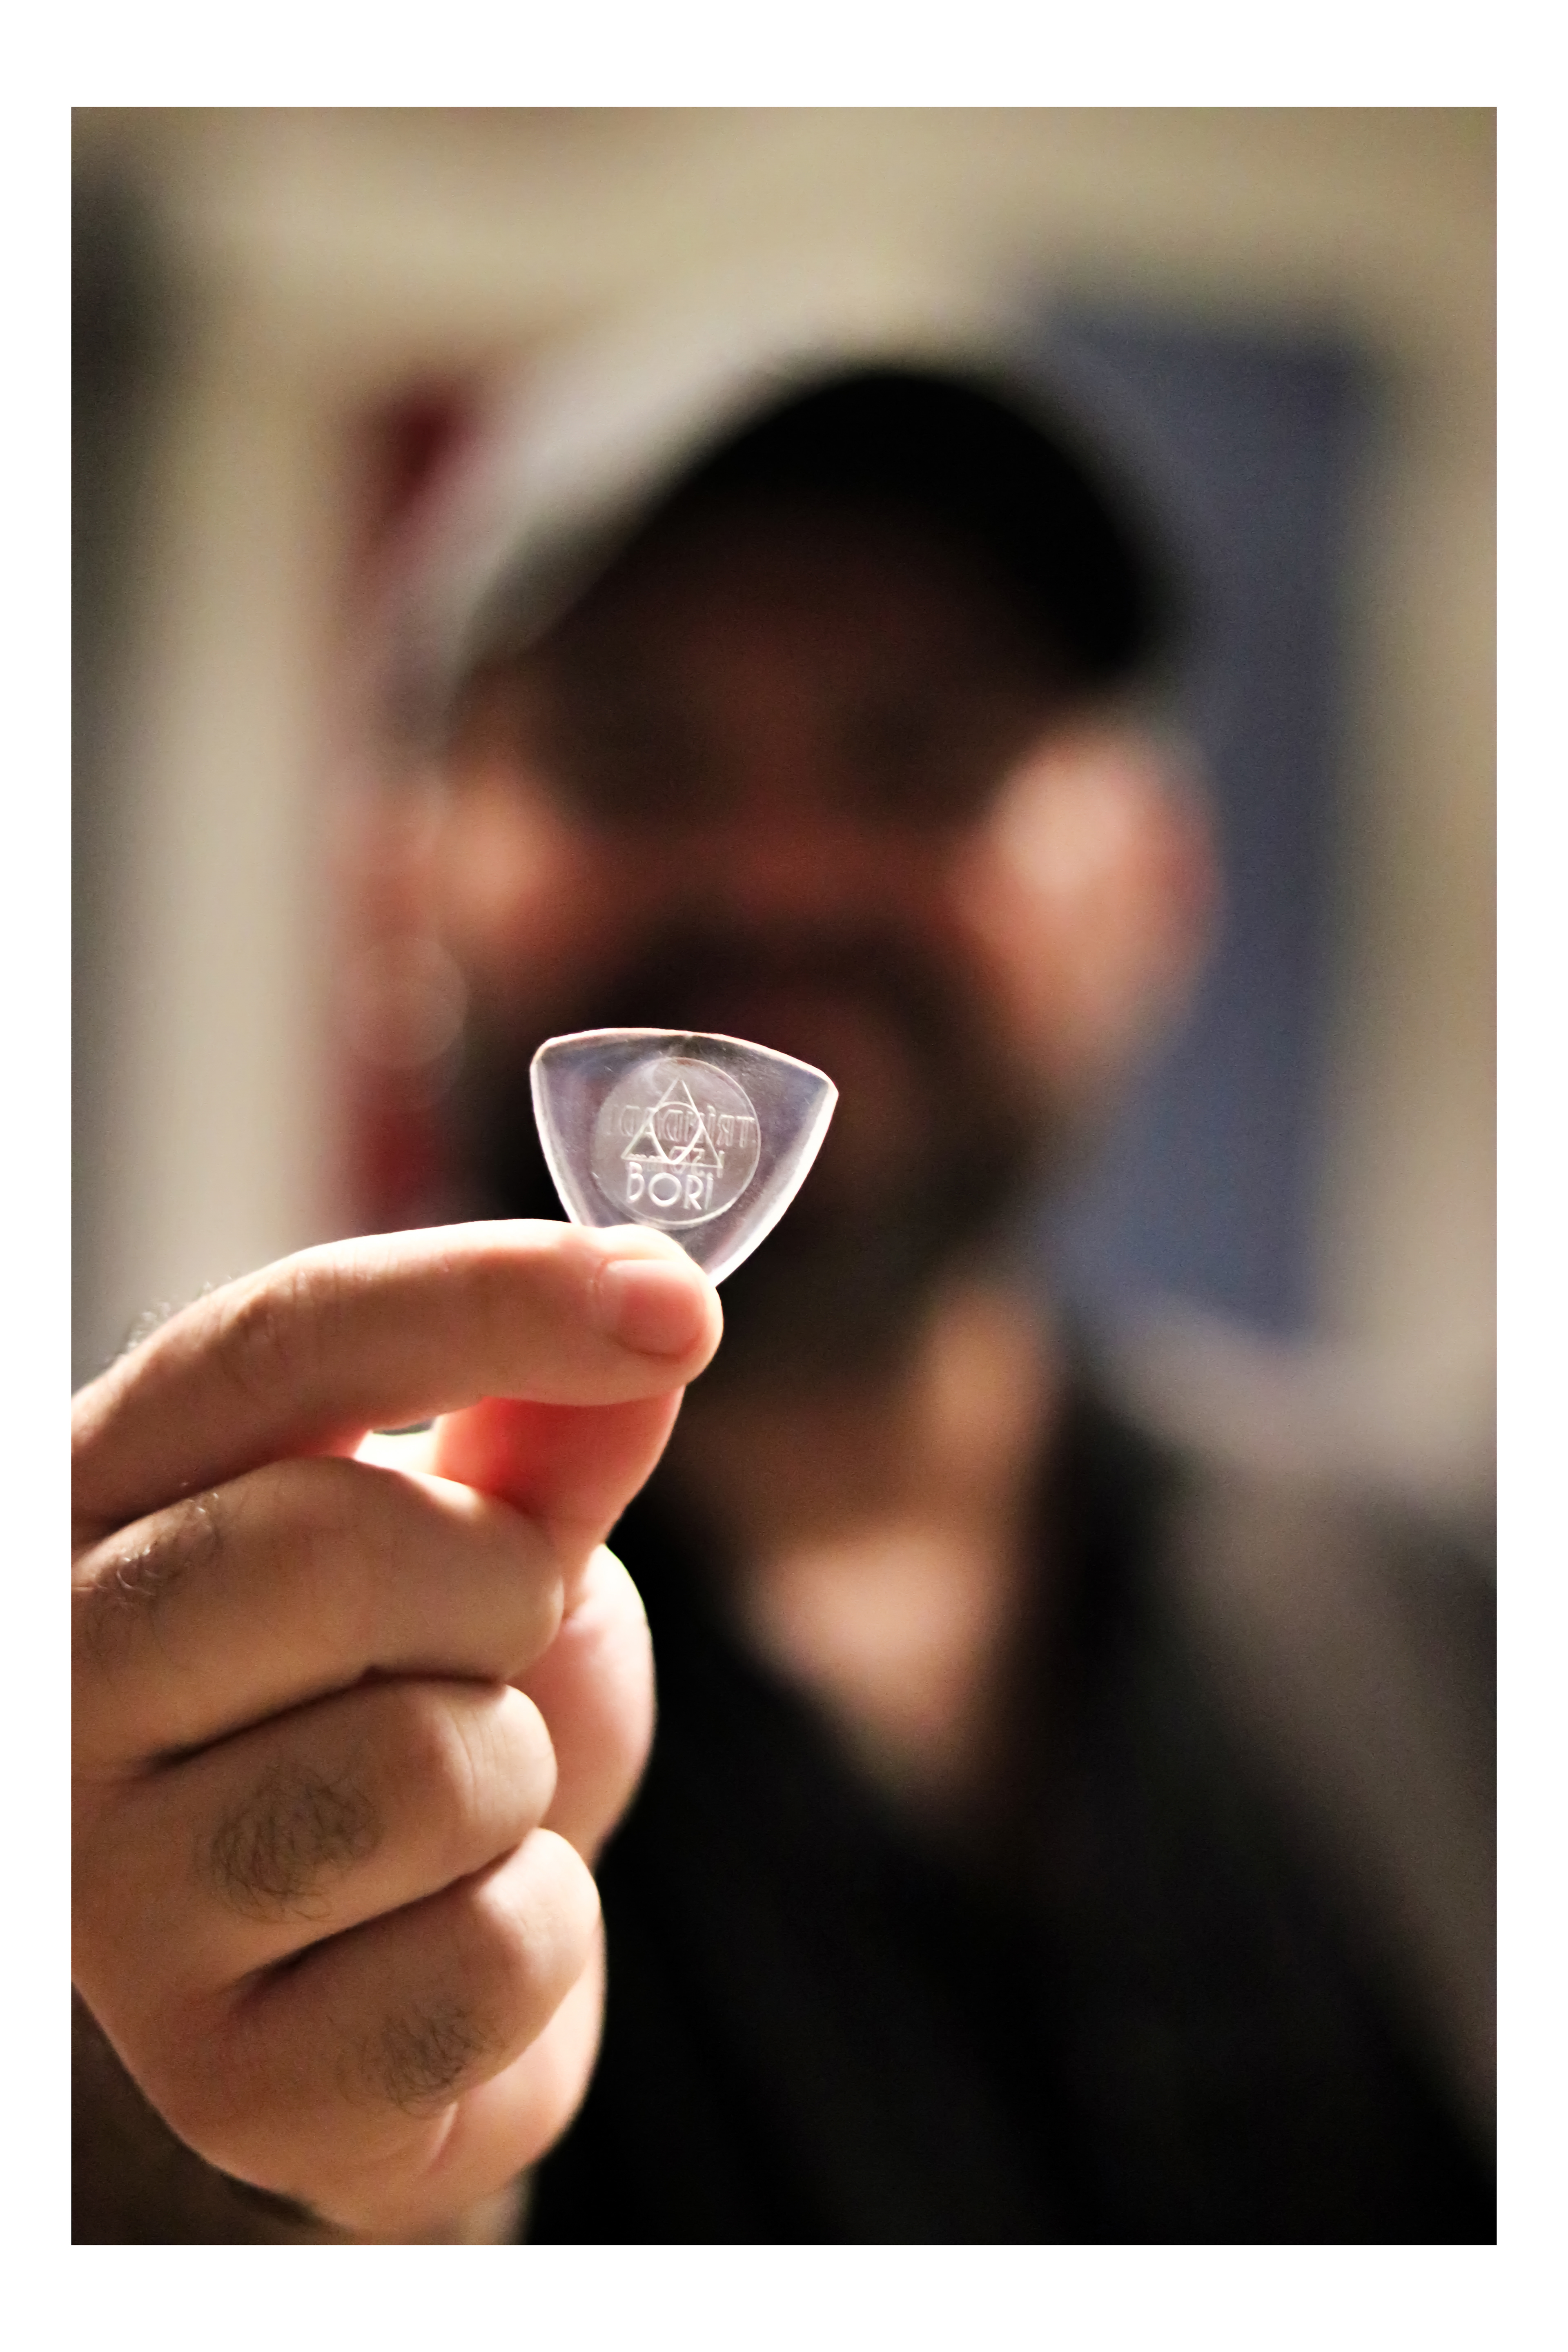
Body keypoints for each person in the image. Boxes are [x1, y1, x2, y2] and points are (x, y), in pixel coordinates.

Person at [71, 334, 1494, 2243]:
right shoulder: (196, 1661)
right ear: (400, 889)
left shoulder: (1443, 1603)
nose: (781, 875)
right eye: (629, 760)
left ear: (1153, 889)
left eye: (925, 760)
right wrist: (168, 2148)